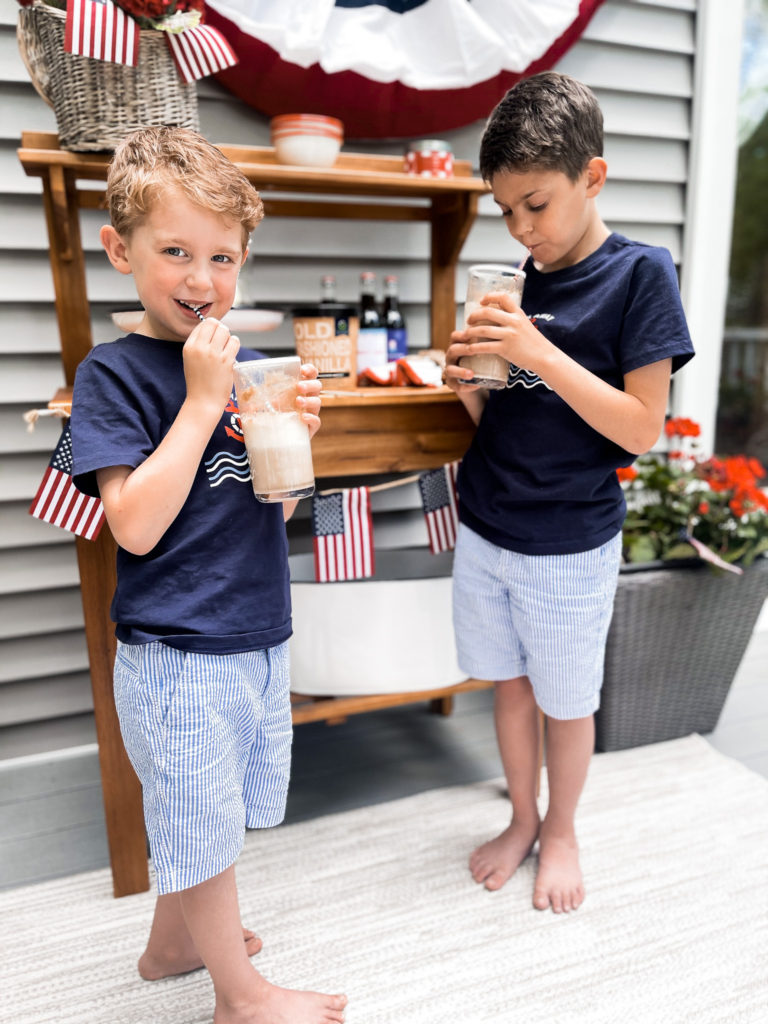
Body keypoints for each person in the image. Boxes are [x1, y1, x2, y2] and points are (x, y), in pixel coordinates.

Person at [70, 127, 347, 1024]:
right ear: (121, 252)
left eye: (221, 257)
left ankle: (173, 945)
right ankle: (241, 998)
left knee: (206, 814)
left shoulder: (239, 373)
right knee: (203, 823)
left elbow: (270, 506)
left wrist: (290, 437)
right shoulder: (113, 377)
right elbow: (137, 526)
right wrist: (199, 403)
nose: (201, 279)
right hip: (177, 652)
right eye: (175, 252)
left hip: (254, 632)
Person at [443, 72, 695, 914]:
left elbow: (639, 427)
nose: (519, 228)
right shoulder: (518, 277)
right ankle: (521, 816)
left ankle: (563, 829)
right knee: (507, 686)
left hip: (568, 541)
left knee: (564, 700)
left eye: (535, 204)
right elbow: (504, 420)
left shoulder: (640, 276)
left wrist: (540, 355)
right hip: (486, 523)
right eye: (505, 208)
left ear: (593, 177)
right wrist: (469, 383)